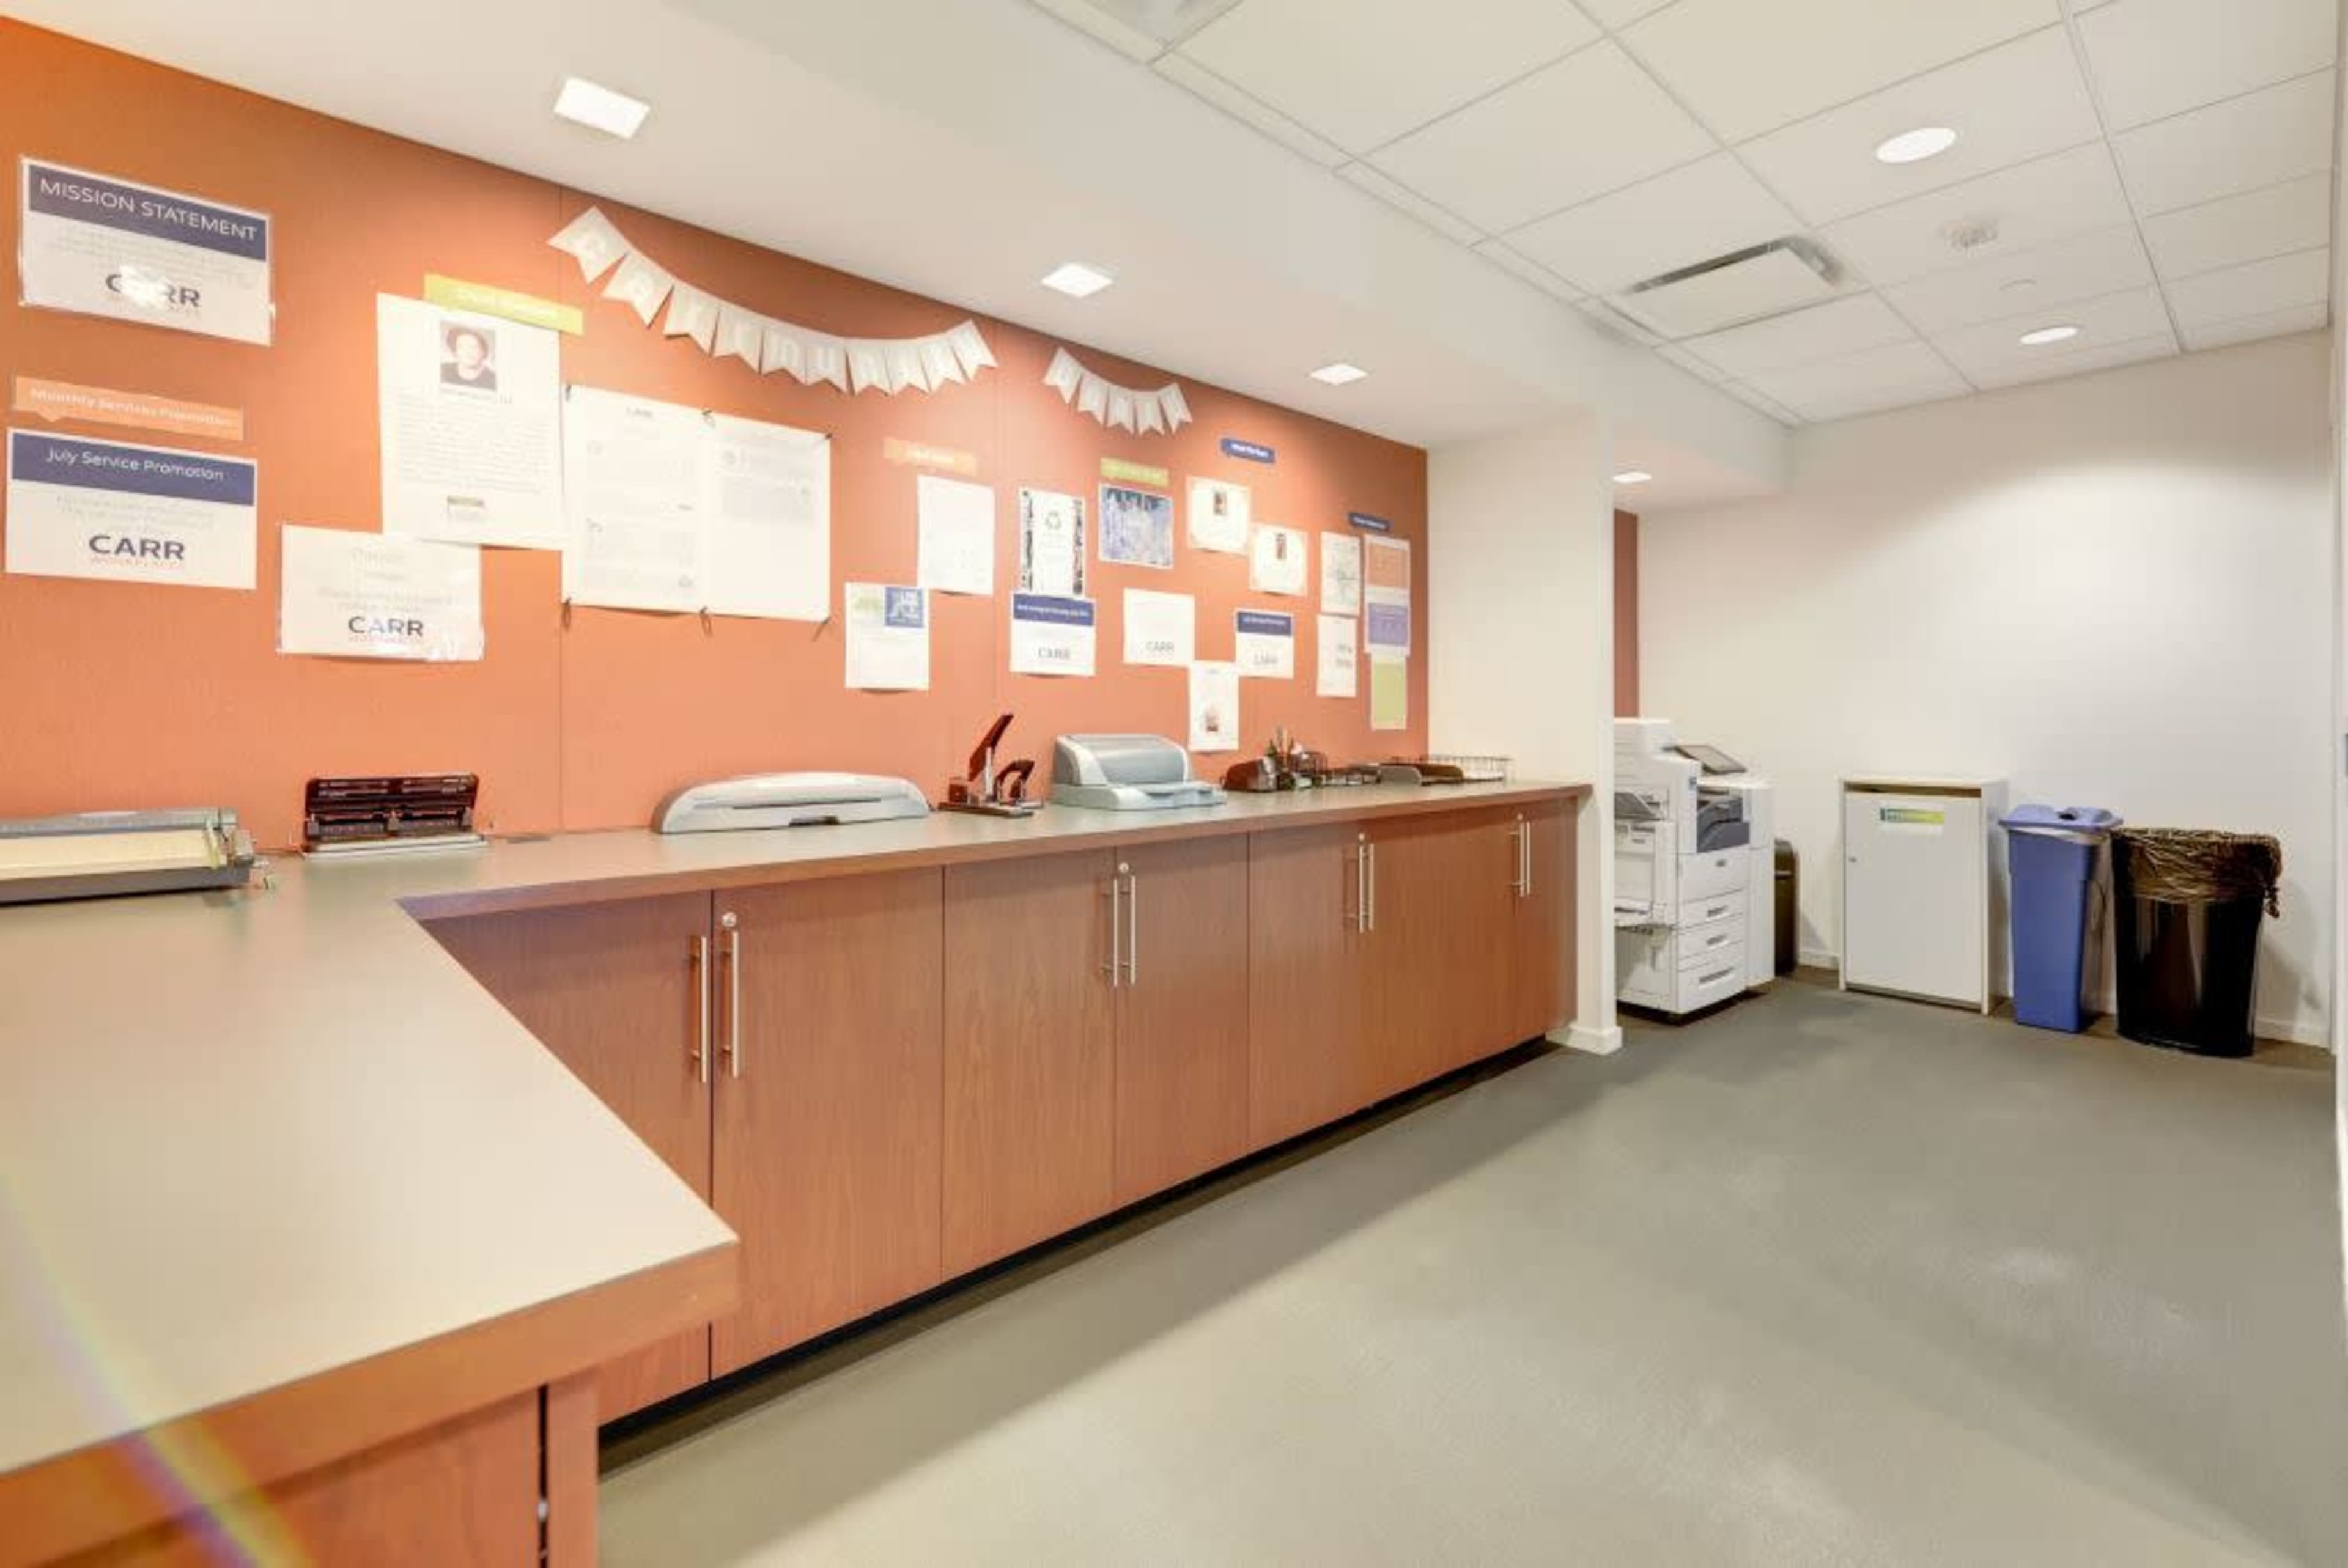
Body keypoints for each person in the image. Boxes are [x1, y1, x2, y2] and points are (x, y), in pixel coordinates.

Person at [441, 322, 497, 391]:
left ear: (483, 352)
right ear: (455, 352)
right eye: (462, 347)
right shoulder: (443, 370)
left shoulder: (493, 381)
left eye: (474, 347)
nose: (469, 352)